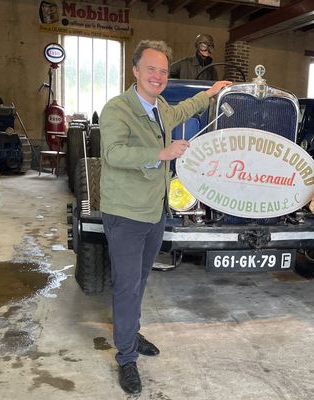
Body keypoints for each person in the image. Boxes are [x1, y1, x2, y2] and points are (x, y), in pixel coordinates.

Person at [99, 39, 231, 394]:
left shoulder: (160, 107)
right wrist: (162, 152)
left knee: (140, 279)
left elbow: (185, 108)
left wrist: (212, 92)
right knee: (127, 286)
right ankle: (126, 357)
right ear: (136, 71)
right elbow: (113, 154)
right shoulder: (118, 109)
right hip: (125, 213)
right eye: (151, 69)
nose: (158, 76)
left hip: (154, 210)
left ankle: (130, 332)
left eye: (163, 71)